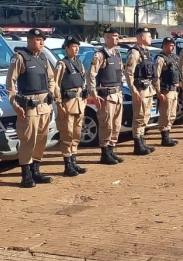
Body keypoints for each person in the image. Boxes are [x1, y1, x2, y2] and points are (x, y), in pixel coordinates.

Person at [6, 28, 57, 188]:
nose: (41, 42)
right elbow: (10, 84)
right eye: (38, 39)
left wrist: (51, 92)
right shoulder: (20, 58)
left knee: (42, 139)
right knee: (28, 140)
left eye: (43, 40)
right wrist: (15, 104)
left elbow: (52, 79)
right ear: (29, 40)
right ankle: (26, 175)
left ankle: (36, 170)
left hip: (44, 106)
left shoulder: (43, 58)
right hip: (28, 107)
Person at [88, 27, 124, 165]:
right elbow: (91, 74)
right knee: (106, 125)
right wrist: (94, 93)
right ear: (106, 38)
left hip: (117, 94)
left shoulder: (117, 54)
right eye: (114, 36)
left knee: (116, 125)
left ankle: (111, 151)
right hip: (106, 96)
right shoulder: (100, 55)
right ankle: (105, 153)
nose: (117, 38)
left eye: (117, 36)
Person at [54, 36, 88, 177]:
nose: (76, 49)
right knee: (67, 134)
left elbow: (84, 81)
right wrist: (59, 103)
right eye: (73, 46)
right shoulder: (61, 64)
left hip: (79, 102)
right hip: (67, 102)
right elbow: (55, 85)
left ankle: (74, 162)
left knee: (76, 134)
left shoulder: (79, 63)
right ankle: (67, 165)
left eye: (77, 46)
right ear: (67, 48)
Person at [124, 27, 156, 155]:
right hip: (140, 89)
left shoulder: (146, 52)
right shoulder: (134, 52)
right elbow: (129, 73)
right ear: (142, 37)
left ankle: (142, 142)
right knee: (139, 117)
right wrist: (133, 91)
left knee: (145, 116)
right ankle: (137, 145)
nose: (151, 39)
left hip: (148, 89)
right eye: (149, 36)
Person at [154, 37, 181, 147]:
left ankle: (168, 135)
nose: (172, 47)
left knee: (172, 115)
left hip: (174, 90)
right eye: (170, 45)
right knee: (165, 115)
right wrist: (158, 92)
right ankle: (164, 137)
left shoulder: (174, 58)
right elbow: (156, 76)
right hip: (166, 91)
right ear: (164, 46)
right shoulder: (160, 59)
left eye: (173, 45)